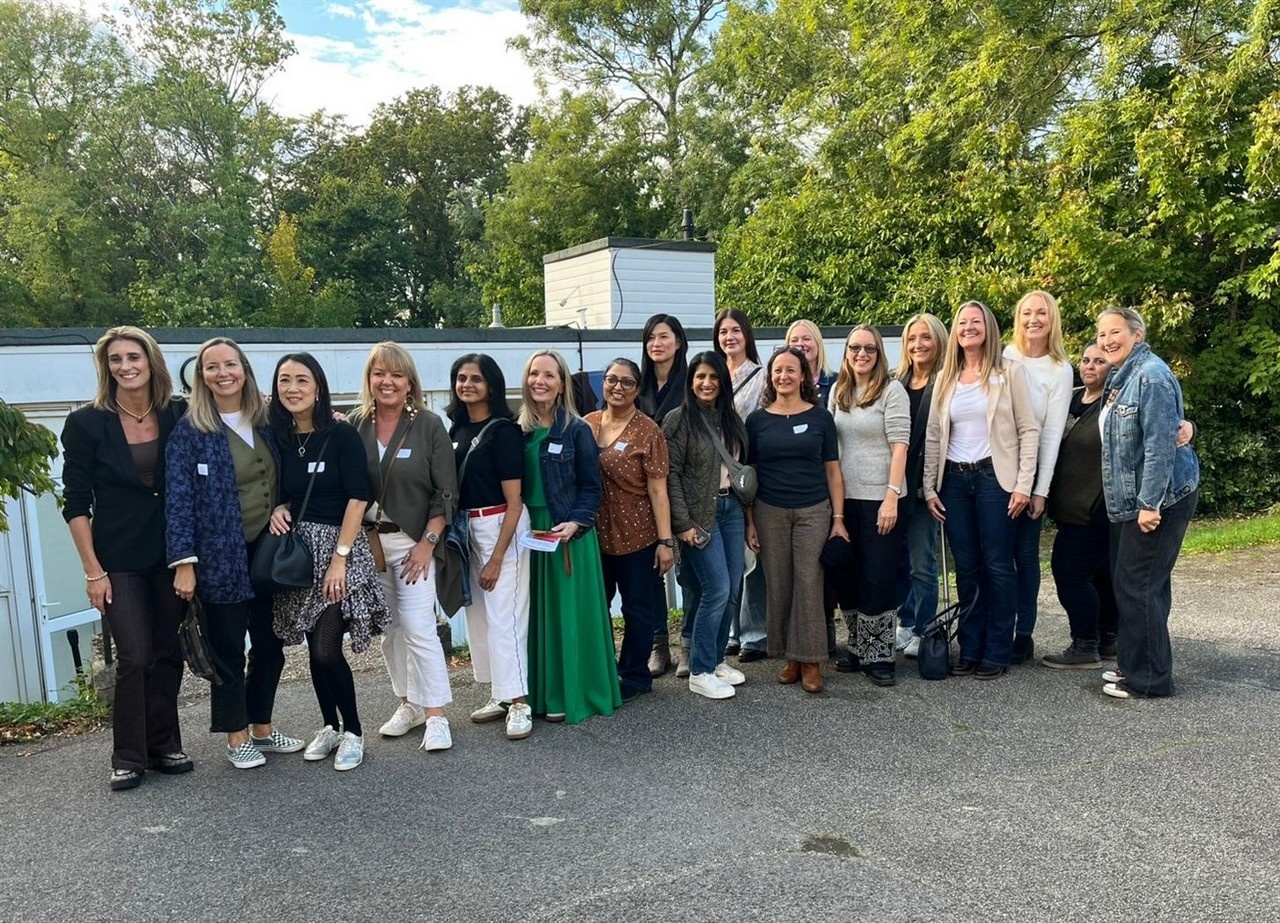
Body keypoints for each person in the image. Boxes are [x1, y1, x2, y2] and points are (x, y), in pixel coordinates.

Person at [166, 337, 303, 772]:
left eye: (230, 364)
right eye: (212, 367)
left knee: (271, 644)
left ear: (244, 369)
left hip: (268, 553)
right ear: (201, 376)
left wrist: (284, 505)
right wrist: (184, 562)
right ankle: (236, 736)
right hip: (218, 557)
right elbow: (178, 501)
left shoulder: (268, 420)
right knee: (227, 649)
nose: (223, 373)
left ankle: (262, 727)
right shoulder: (190, 431)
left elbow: (295, 467)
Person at [62, 327, 189, 792]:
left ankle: (164, 744)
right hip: (117, 559)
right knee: (134, 655)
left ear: (150, 361)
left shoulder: (178, 414)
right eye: (115, 359)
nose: (125, 366)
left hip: (174, 555)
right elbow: (76, 504)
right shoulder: (86, 424)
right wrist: (92, 571)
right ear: (106, 367)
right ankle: (129, 756)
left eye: (133, 356)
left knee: (167, 650)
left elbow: (238, 416)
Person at [268, 353, 387, 771]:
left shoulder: (341, 434)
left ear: (318, 387)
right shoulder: (278, 437)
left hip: (340, 550)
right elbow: (279, 490)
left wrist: (339, 559)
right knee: (312, 643)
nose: (293, 388)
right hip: (300, 555)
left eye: (302, 380)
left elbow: (358, 497)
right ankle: (329, 726)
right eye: (285, 380)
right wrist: (278, 507)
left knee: (324, 649)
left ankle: (353, 731)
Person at [923, 301, 1039, 679]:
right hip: (954, 481)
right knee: (967, 567)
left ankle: (997, 650)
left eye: (976, 321)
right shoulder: (946, 377)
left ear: (988, 328)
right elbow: (935, 435)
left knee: (998, 566)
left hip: (995, 480)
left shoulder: (1010, 371)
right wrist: (929, 487)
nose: (968, 327)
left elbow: (1029, 430)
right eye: (962, 322)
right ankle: (970, 648)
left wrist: (1024, 485)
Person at [350, 342, 457, 753]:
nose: (387, 381)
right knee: (391, 630)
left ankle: (436, 714)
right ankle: (408, 702)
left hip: (414, 543)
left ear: (410, 382)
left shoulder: (428, 425)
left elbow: (445, 493)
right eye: (379, 373)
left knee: (417, 627)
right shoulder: (355, 425)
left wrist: (428, 543)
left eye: (396, 374)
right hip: (370, 545)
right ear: (369, 379)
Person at [1096, 307, 1200, 699]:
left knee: (1138, 586)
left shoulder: (1151, 376)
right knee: (1137, 586)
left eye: (1115, 332)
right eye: (1102, 334)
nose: (1107, 340)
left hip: (1159, 498)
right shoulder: (1121, 377)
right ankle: (1134, 665)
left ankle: (1151, 679)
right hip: (1134, 498)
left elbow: (1159, 446)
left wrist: (1150, 503)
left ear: (1137, 335)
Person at [520, 350, 622, 723]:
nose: (540, 381)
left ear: (562, 384)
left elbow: (591, 488)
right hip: (528, 533)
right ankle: (533, 694)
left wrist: (576, 523)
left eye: (549, 375)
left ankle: (573, 692)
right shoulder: (518, 430)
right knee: (531, 617)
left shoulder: (577, 430)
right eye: (534, 374)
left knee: (570, 615)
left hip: (567, 533)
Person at [746, 346, 847, 693]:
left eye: (791, 370)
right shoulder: (756, 421)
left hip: (813, 509)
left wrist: (838, 518)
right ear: (770, 376)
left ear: (804, 375)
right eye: (778, 370)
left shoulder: (821, 417)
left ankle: (812, 661)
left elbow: (832, 471)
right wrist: (750, 520)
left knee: (809, 582)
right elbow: (750, 474)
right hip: (769, 509)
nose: (784, 376)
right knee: (780, 584)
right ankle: (791, 656)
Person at [447, 353, 533, 740]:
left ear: (492, 385)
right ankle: (500, 693)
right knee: (479, 616)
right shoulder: (457, 429)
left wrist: (497, 557)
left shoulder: (504, 432)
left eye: (476, 379)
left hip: (500, 525)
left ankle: (519, 702)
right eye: (461, 378)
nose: (467, 385)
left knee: (504, 617)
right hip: (467, 527)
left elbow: (515, 502)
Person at [586, 358, 675, 700]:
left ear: (637, 389)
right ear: (603, 384)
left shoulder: (648, 430)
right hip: (594, 533)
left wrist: (665, 541)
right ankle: (601, 670)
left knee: (637, 608)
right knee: (596, 604)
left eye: (626, 382)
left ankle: (634, 675)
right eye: (612, 380)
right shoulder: (587, 424)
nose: (618, 387)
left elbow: (658, 490)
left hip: (638, 533)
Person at [663, 351, 749, 699]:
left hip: (732, 509)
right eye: (700, 376)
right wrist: (682, 524)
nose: (707, 383)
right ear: (690, 380)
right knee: (716, 589)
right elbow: (670, 475)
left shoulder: (730, 419)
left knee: (732, 589)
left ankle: (715, 660)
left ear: (723, 382)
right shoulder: (678, 420)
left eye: (714, 377)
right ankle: (699, 670)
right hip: (700, 515)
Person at [830, 325, 910, 686]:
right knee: (847, 575)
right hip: (845, 498)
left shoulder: (892, 391)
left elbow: (900, 446)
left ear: (879, 354)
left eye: (869, 349)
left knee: (877, 576)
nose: (861, 354)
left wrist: (891, 496)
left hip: (881, 498)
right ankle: (859, 645)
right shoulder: (839, 390)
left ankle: (879, 655)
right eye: (855, 348)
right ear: (846, 352)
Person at [1003, 290, 1073, 664]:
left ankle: (1023, 633)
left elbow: (1052, 433)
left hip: (1031, 480)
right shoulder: (1004, 356)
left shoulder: (1060, 369)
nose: (1034, 319)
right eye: (1027, 312)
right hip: (995, 472)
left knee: (1025, 558)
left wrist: (1039, 490)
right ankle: (995, 626)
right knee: (995, 558)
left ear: (1052, 320)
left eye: (1041, 313)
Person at [1040, 344, 1119, 670]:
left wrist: (1187, 428)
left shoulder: (1116, 403)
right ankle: (1108, 638)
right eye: (1086, 360)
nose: (1090, 366)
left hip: (1096, 503)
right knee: (1099, 573)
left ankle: (1085, 643)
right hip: (1069, 503)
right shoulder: (1071, 398)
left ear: (1112, 368)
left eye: (1099, 361)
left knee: (1069, 572)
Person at [893, 313, 950, 658]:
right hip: (895, 486)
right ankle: (906, 619)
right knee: (899, 562)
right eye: (912, 338)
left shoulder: (946, 382)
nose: (918, 344)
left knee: (922, 562)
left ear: (939, 341)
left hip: (926, 486)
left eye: (926, 337)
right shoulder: (895, 382)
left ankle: (925, 628)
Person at [713, 308, 767, 662]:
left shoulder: (761, 377)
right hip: (717, 477)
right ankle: (730, 632)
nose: (729, 337)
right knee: (728, 559)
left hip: (749, 473)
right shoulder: (713, 374)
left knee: (752, 557)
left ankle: (754, 633)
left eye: (735, 330)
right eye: (723, 331)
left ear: (747, 335)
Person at [639, 313, 690, 677]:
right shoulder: (636, 385)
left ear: (678, 342)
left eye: (664, 337)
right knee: (652, 572)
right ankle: (659, 646)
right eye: (651, 338)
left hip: (684, 487)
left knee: (689, 573)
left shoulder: (691, 382)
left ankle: (689, 645)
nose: (657, 344)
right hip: (644, 492)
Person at [786, 319, 838, 406]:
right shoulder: (782, 382)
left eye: (806, 339)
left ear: (818, 344)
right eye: (794, 340)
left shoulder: (836, 382)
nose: (800, 344)